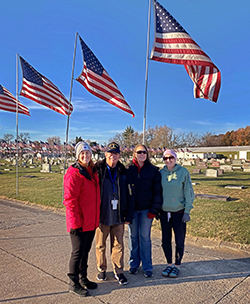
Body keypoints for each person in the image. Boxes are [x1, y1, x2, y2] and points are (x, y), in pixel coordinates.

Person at [63, 141, 100, 297]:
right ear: (77, 155)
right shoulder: (74, 173)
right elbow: (70, 200)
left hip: (90, 221)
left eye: (87, 153)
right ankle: (73, 282)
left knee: (85, 251)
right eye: (82, 153)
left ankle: (83, 278)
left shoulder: (92, 171)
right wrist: (74, 222)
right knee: (77, 253)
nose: (85, 156)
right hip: (78, 222)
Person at [95, 142, 134, 285]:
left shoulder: (123, 171)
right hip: (102, 215)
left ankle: (119, 271)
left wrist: (128, 214)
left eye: (116, 153)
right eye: (111, 153)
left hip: (118, 215)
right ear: (105, 155)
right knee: (100, 245)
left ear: (119, 156)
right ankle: (102, 269)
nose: (113, 156)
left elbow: (130, 195)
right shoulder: (98, 170)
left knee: (118, 245)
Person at [126, 144, 162, 278]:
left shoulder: (153, 171)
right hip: (132, 210)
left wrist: (154, 210)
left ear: (147, 155)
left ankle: (147, 266)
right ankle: (134, 264)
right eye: (139, 152)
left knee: (145, 238)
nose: (142, 154)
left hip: (147, 210)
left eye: (144, 152)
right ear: (134, 154)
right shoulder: (128, 169)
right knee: (133, 237)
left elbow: (157, 192)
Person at [160, 149, 194, 278]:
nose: (168, 160)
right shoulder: (161, 173)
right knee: (165, 241)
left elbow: (188, 192)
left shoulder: (183, 172)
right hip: (165, 212)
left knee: (179, 240)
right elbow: (158, 192)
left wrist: (187, 211)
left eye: (171, 158)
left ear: (175, 158)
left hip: (179, 212)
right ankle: (169, 264)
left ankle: (177, 265)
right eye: (166, 158)